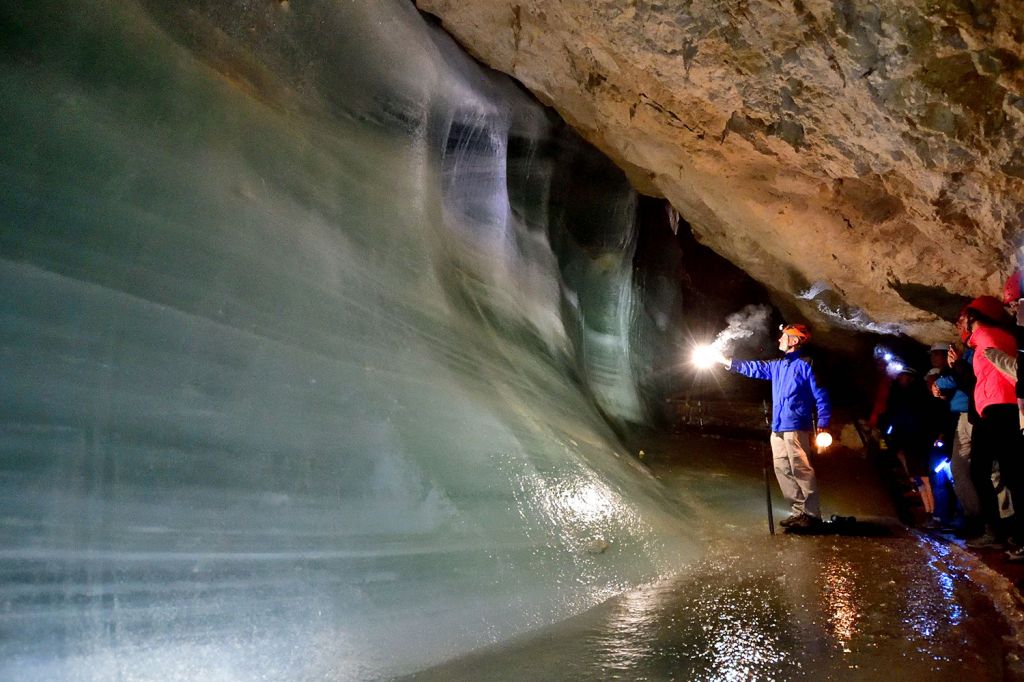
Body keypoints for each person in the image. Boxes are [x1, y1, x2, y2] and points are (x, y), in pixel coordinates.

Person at [716, 323, 831, 529]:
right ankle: (798, 512)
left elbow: (821, 394)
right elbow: (756, 368)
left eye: (783, 336)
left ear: (794, 340)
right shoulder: (778, 364)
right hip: (777, 426)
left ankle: (812, 515)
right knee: (782, 468)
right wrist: (727, 362)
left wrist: (823, 422)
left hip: (796, 425)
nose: (779, 340)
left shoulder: (806, 364)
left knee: (800, 469)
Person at [962, 295, 1022, 551]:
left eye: (964, 317)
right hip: (999, 408)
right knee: (1010, 472)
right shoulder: (989, 338)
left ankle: (996, 531)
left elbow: (1011, 372)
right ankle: (1012, 532)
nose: (961, 322)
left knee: (986, 471)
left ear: (975, 317)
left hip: (999, 409)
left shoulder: (988, 337)